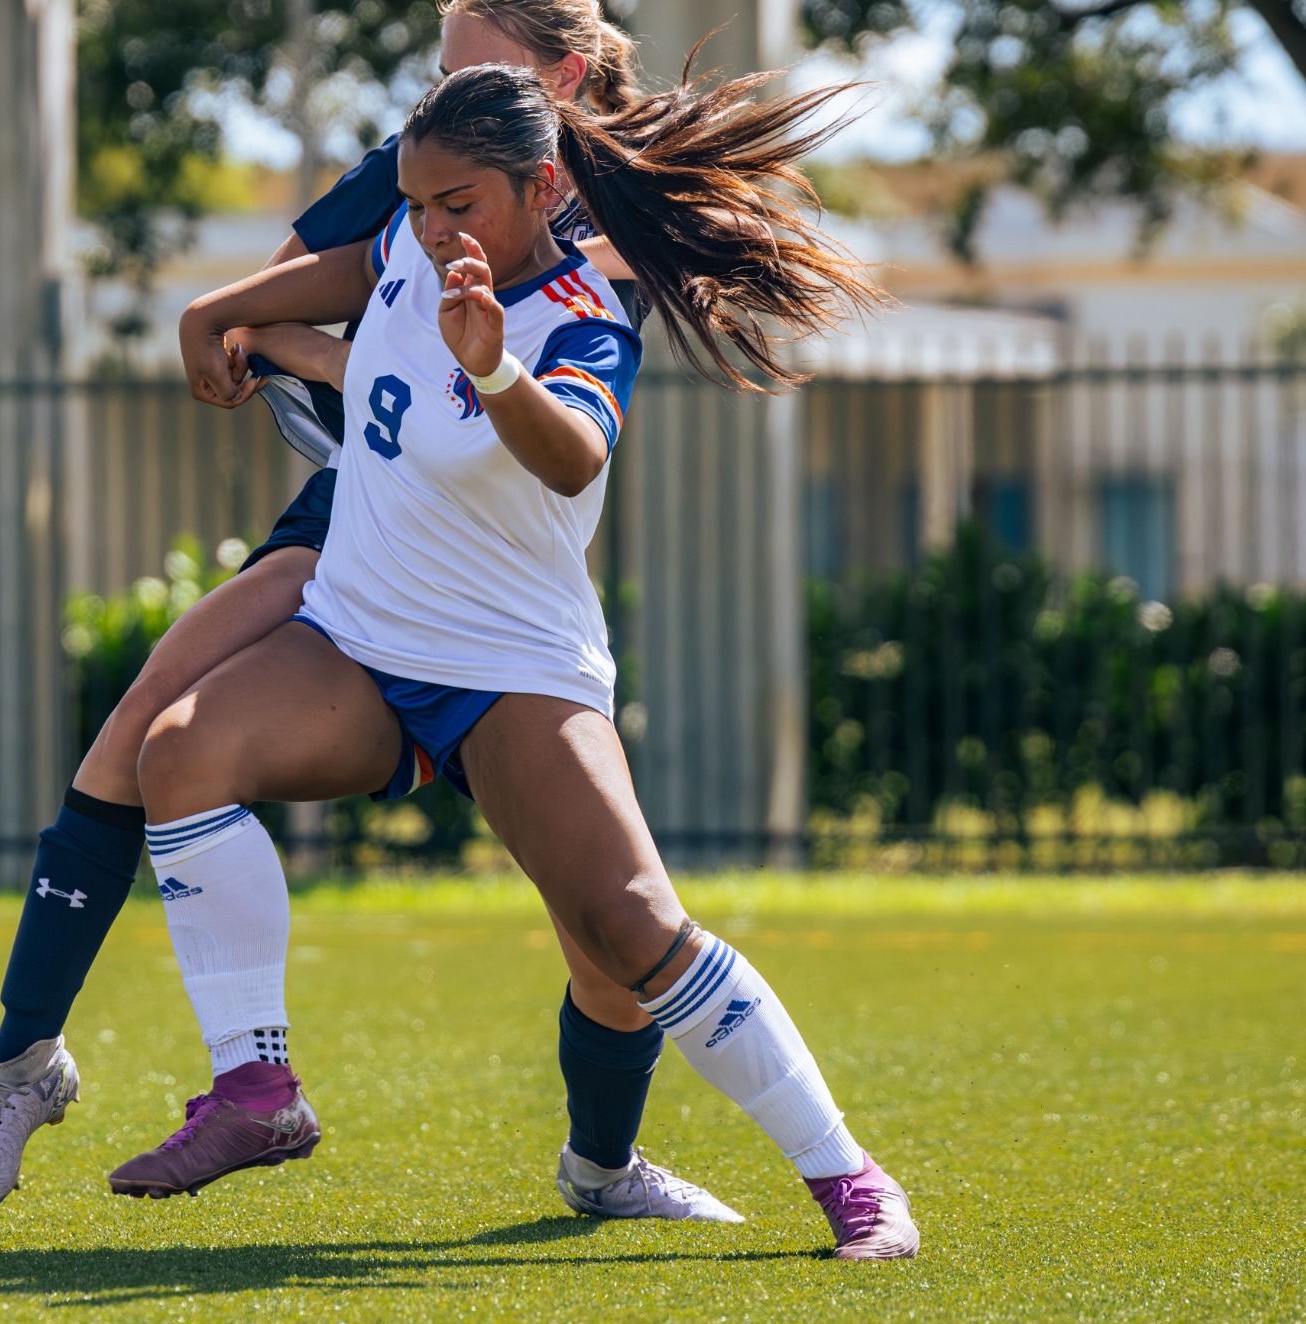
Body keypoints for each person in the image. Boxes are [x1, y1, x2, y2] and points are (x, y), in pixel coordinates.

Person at [105, 63, 922, 1261]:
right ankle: (255, 1093)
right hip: (357, 637)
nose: (432, 229)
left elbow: (573, 457)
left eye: (460, 203)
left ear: (540, 186)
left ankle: (846, 1181)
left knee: (625, 938)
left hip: (506, 666)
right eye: (417, 202)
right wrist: (246, 329)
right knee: (178, 752)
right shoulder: (405, 253)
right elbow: (376, 375)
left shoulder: (582, 315)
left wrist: (494, 367)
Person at [0, 0, 745, 1227]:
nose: (428, 113)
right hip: (361, 513)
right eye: (435, 76)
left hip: (483, 569)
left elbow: (507, 375)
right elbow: (355, 268)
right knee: (140, 737)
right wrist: (224, 314)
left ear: (565, 77)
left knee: (605, 935)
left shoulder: (596, 225)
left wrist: (286, 336)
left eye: (472, 75)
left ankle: (605, 1166)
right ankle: (24, 1069)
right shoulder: (429, 173)